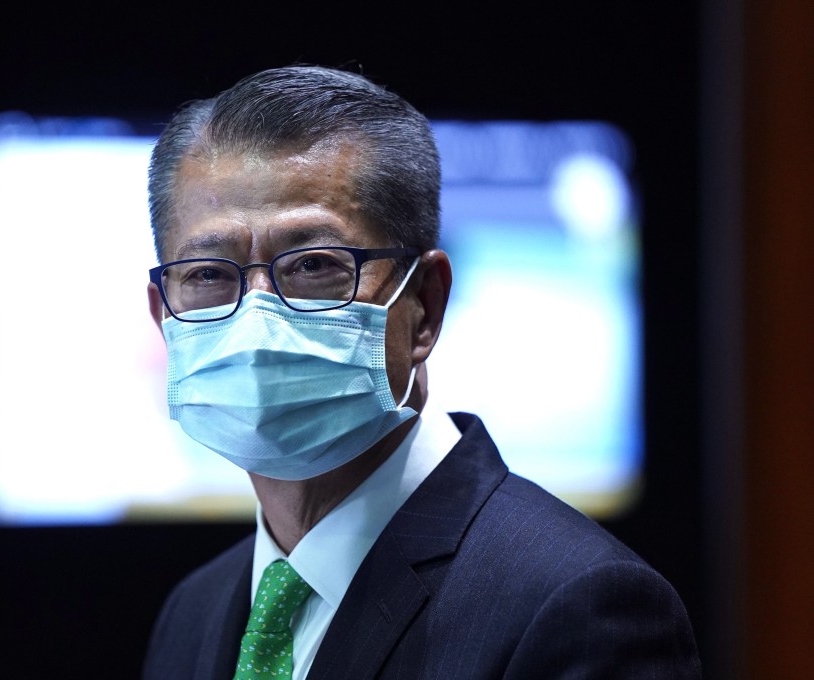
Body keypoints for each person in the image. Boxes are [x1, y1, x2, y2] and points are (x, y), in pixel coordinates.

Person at [141, 64, 701, 679]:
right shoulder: (194, 612)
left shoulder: (578, 605)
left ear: (426, 305)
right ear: (162, 314)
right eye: (208, 275)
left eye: (312, 266)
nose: (256, 319)